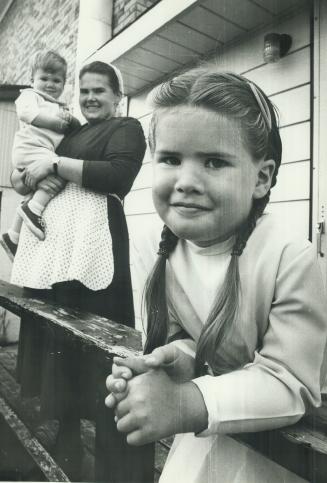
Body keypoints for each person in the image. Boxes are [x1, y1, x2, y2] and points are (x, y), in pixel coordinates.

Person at [105, 71, 327, 482]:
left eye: (214, 162)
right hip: (207, 437)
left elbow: (291, 382)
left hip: (279, 453)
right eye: (171, 159)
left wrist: (185, 403)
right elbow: (193, 338)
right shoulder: (161, 247)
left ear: (261, 178)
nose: (187, 182)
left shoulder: (289, 256)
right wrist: (180, 358)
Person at [10, 61, 146, 478]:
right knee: (62, 347)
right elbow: (29, 173)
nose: (89, 98)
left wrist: (52, 166)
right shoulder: (69, 132)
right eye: (84, 91)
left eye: (98, 91)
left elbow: (117, 175)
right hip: (60, 253)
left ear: (116, 96)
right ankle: (67, 436)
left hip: (96, 247)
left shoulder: (126, 128)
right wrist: (24, 176)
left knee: (102, 346)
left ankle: (114, 455)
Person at [1, 50, 80, 256]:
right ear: (32, 80)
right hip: (30, 149)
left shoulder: (60, 106)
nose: (50, 84)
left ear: (64, 84)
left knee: (38, 189)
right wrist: (55, 122)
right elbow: (27, 113)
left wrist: (69, 120)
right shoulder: (30, 96)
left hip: (40, 152)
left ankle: (13, 235)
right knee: (60, 172)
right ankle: (33, 210)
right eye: (44, 78)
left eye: (57, 80)